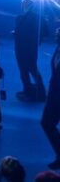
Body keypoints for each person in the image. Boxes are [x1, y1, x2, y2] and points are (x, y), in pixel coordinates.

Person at [15, 0, 47, 102]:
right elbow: (45, 32)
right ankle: (37, 91)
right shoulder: (38, 18)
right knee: (30, 68)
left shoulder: (21, 17)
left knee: (27, 69)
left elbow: (19, 32)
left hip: (23, 46)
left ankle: (31, 91)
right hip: (28, 46)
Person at [41, 28, 60, 170]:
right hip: (55, 93)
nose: (56, 36)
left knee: (47, 123)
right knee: (47, 123)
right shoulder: (58, 49)